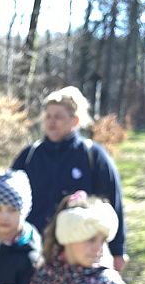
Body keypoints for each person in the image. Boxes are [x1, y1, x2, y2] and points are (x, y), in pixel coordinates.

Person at [12, 86, 127, 272]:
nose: (51, 122)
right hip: (32, 251)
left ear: (75, 120)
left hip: (80, 253)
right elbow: (11, 201)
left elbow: (114, 203)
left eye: (58, 117)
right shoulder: (30, 156)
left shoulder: (93, 155)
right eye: (48, 116)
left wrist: (118, 250)